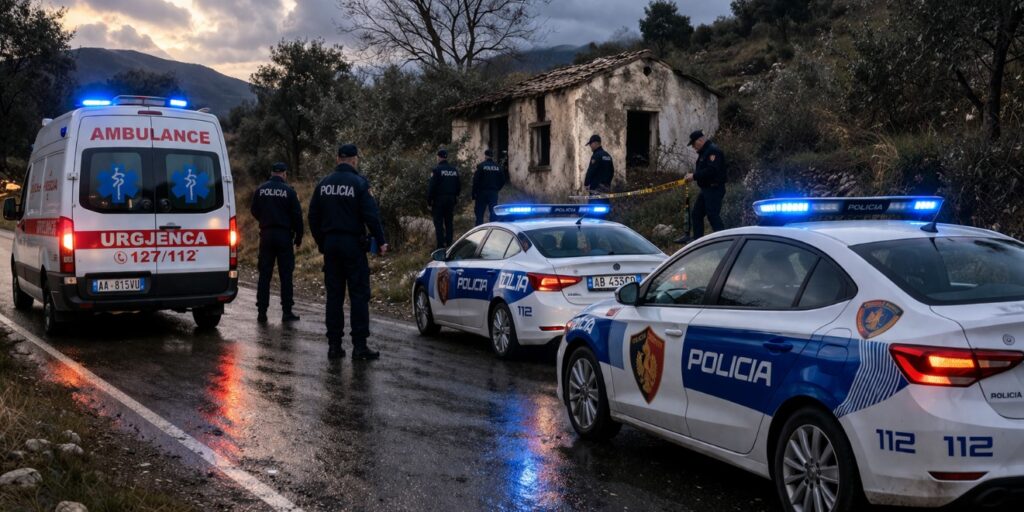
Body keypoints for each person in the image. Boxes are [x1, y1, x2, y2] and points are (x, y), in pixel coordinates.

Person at [308, 144, 389, 361]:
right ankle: (359, 347)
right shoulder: (359, 183)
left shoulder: (323, 184)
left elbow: (313, 216)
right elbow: (371, 216)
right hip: (353, 245)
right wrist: (381, 241)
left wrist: (322, 242)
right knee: (358, 295)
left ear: (337, 159)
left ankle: (334, 346)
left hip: (331, 245)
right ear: (354, 160)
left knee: (334, 296)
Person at [251, 162, 303, 323]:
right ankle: (287, 312)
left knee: (264, 275)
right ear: (284, 174)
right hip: (284, 236)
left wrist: (265, 220)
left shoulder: (261, 189)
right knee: (285, 275)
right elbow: (297, 216)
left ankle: (262, 312)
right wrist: (299, 237)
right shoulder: (289, 191)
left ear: (272, 173)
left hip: (266, 235)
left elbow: (254, 210)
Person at [677, 129, 727, 243]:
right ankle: (697, 241)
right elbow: (704, 170)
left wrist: (694, 176)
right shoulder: (704, 152)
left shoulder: (713, 151)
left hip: (714, 188)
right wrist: (693, 176)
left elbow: (712, 170)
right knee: (697, 214)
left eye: (694, 144)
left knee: (712, 215)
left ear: (700, 140)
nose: (693, 147)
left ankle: (724, 240)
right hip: (706, 189)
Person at [427, 149, 460, 249]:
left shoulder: (436, 170)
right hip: (451, 199)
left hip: (439, 200)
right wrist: (455, 197)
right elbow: (458, 185)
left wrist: (429, 201)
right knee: (449, 222)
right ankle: (449, 244)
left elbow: (431, 187)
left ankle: (440, 246)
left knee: (439, 223)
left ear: (439, 157)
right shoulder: (454, 170)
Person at [472, 148, 504, 225]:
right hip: (493, 193)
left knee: (479, 214)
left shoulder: (481, 166)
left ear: (485, 156)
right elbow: (502, 180)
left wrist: (474, 193)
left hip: (481, 193)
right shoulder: (498, 167)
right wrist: (497, 188)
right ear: (492, 156)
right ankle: (492, 228)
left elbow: (476, 180)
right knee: (493, 213)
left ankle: (479, 229)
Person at [583, 134, 614, 204]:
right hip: (606, 187)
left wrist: (586, 183)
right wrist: (607, 183)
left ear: (595, 143)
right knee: (605, 205)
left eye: (590, 144)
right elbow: (612, 171)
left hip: (596, 188)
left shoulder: (596, 155)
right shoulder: (607, 155)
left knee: (593, 206)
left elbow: (591, 170)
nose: (590, 146)